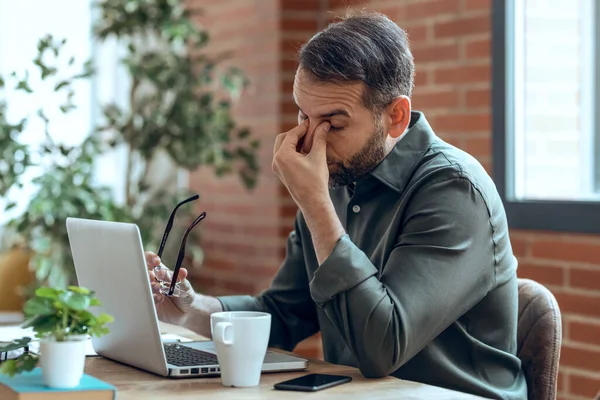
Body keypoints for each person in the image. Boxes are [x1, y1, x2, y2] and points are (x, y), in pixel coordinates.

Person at [145, 11, 528, 400]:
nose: (310, 142)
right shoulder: (338, 176)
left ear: (395, 117)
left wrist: (314, 203)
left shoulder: (453, 191)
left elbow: (383, 349)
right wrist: (193, 309)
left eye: (335, 125)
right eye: (303, 116)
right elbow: (284, 311)